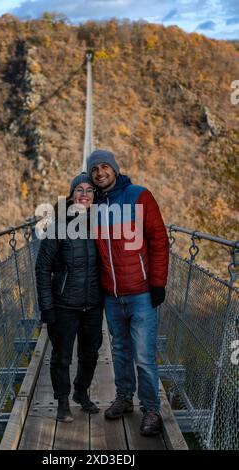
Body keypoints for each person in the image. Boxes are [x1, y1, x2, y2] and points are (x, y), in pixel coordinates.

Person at [87, 149, 169, 436]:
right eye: (94, 169)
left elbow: (159, 240)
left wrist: (158, 282)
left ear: (115, 169)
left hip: (141, 294)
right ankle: (125, 398)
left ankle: (151, 410)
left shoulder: (139, 195)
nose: (100, 172)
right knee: (120, 351)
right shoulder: (92, 206)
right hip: (111, 295)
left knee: (144, 356)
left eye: (104, 166)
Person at [35, 172, 104, 423]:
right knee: (61, 355)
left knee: (91, 353)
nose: (84, 195)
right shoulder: (59, 226)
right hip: (64, 304)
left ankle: (81, 392)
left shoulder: (102, 225)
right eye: (79, 190)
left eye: (89, 190)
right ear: (71, 194)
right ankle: (63, 402)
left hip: (94, 304)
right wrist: (46, 307)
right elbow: (42, 267)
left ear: (95, 197)